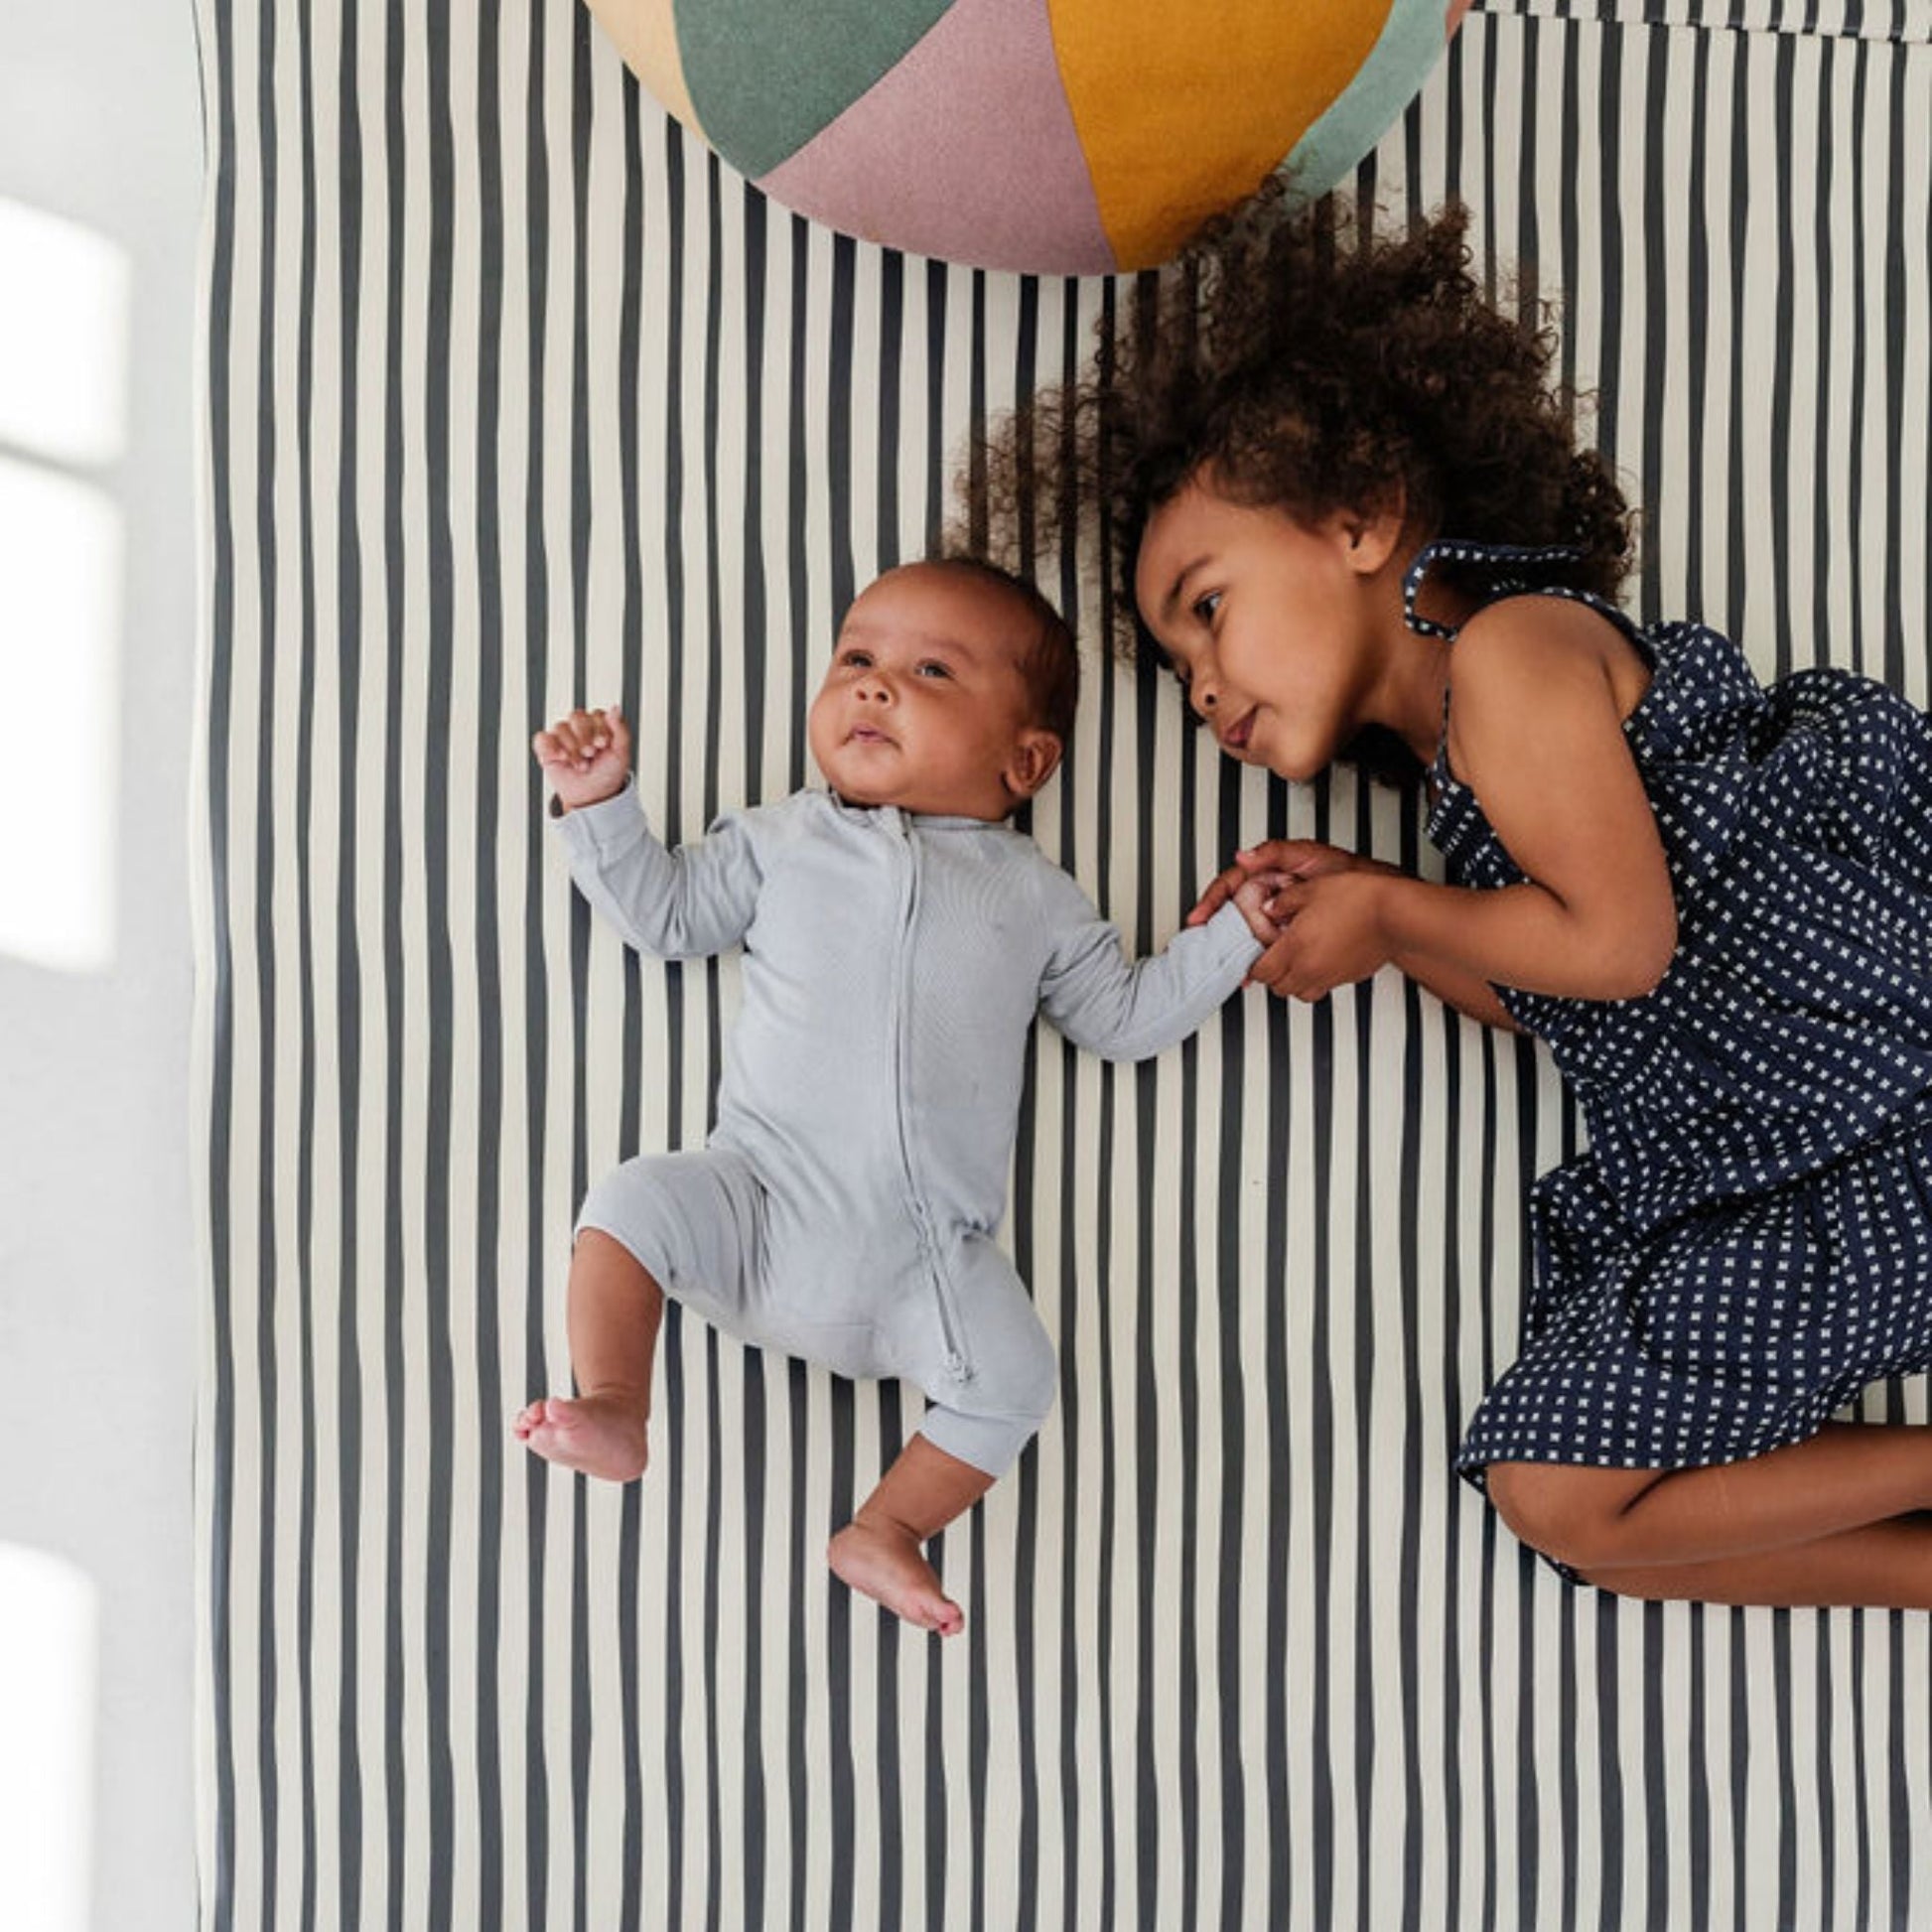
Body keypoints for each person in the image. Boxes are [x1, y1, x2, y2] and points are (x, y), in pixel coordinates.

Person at [972, 191, 1932, 1608]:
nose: (1206, 690)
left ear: (1359, 521)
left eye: (1208, 607)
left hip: (1877, 1105)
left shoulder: (1511, 653)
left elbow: (1620, 945)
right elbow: (1566, 994)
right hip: (1786, 1164)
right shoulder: (1458, 794)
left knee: (1570, 1489)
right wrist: (1376, 901)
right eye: (1179, 673)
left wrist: (1394, 915)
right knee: (1570, 1511)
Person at [514, 558, 1275, 1634]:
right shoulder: (780, 840)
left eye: (931, 671)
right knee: (630, 1201)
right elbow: (668, 915)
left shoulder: (1037, 897)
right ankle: (615, 1401)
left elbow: (1121, 1015)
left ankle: (887, 1524)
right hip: (757, 1201)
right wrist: (599, 803)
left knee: (1016, 1377)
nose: (874, 685)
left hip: (927, 1262)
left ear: (1026, 759)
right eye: (857, 659)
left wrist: (1236, 934)